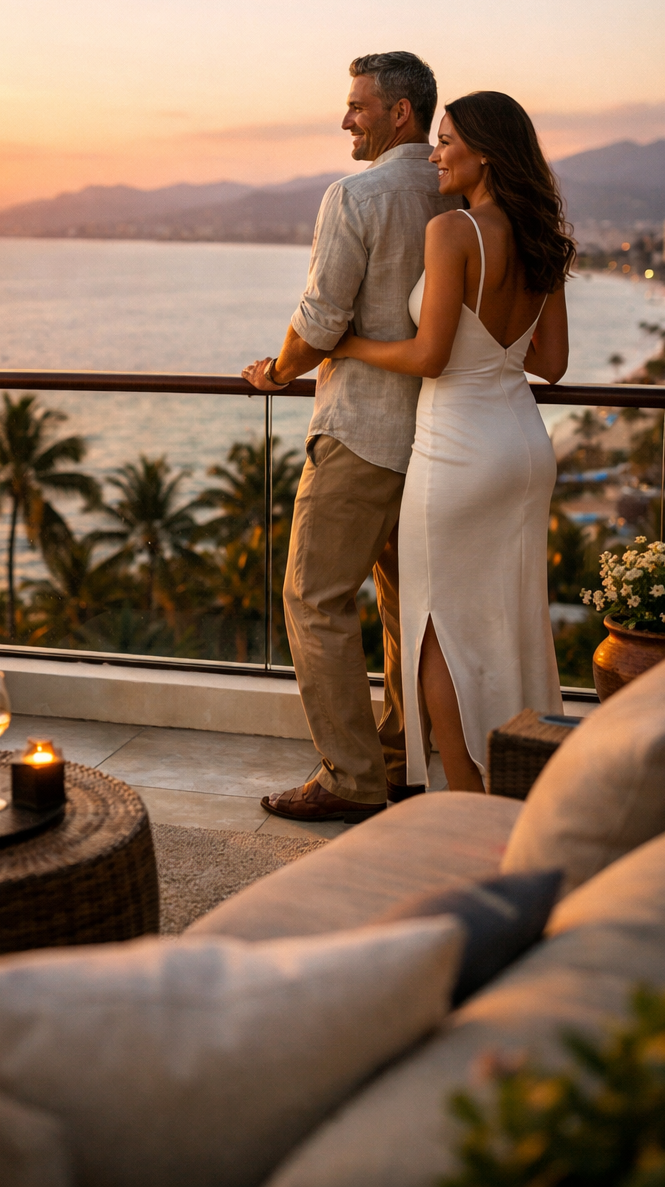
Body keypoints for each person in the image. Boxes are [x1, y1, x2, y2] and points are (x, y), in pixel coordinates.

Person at [327, 91, 573, 790]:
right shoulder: (540, 235)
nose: (435, 154)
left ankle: (465, 797)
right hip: (522, 446)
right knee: (514, 623)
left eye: (446, 141)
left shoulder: (454, 231)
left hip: (457, 448)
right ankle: (522, 783)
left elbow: (429, 355)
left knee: (435, 626)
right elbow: (550, 363)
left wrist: (347, 344)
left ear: (485, 152)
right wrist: (489, 353)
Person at [243, 51, 457, 824]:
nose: (345, 119)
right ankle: (401, 761)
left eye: (357, 105)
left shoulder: (356, 195)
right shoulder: (457, 190)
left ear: (400, 112)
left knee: (314, 596)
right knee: (405, 606)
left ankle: (350, 777)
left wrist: (277, 370)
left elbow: (322, 318)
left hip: (362, 428)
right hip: (436, 432)